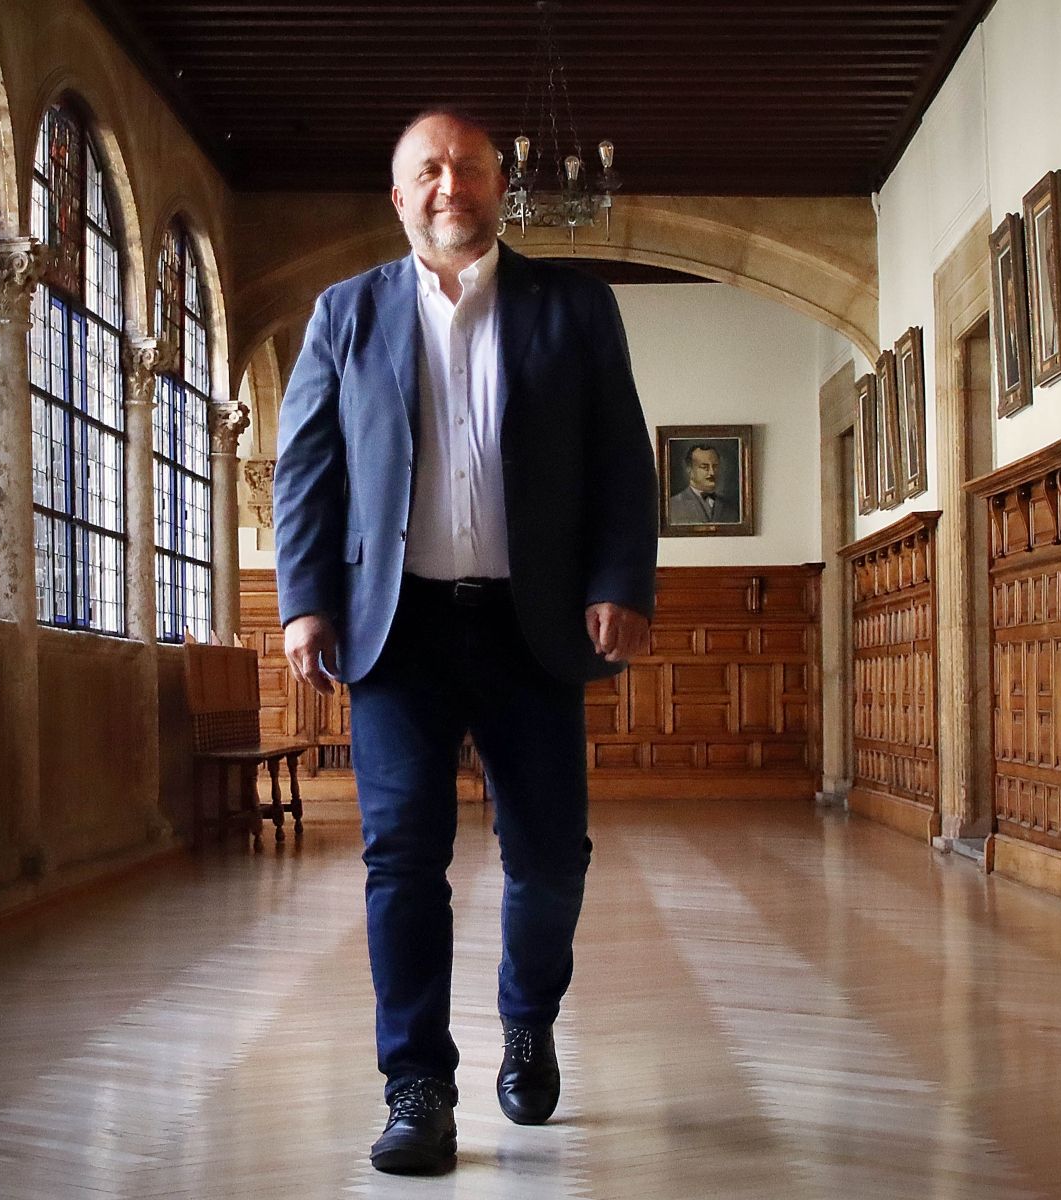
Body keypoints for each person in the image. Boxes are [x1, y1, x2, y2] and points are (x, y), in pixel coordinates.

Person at [272, 109, 657, 1176]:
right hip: (396, 631)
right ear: (400, 196)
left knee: (549, 855)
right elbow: (304, 467)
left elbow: (622, 457)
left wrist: (621, 580)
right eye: (428, 171)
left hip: (533, 625)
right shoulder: (344, 313)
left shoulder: (573, 307)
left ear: (502, 187)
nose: (452, 186)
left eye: (472, 168)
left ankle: (528, 1021)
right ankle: (417, 1089)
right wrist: (304, 598)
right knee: (402, 860)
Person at [669, 443, 734, 525]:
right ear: (689, 470)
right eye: (704, 467)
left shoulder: (730, 507)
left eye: (715, 466)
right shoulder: (672, 506)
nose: (712, 472)